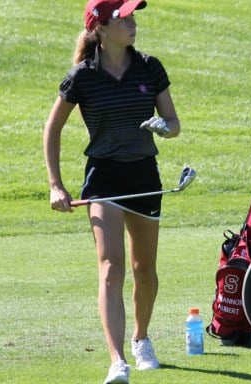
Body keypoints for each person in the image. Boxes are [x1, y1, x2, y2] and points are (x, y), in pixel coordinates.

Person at [43, 1, 180, 383]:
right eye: (125, 18)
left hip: (143, 177)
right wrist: (56, 184)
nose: (134, 23)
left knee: (144, 270)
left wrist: (164, 129)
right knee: (111, 267)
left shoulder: (149, 67)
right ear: (101, 28)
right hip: (103, 178)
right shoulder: (81, 77)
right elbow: (52, 130)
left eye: (134, 16)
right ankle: (117, 360)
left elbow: (174, 122)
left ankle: (141, 339)